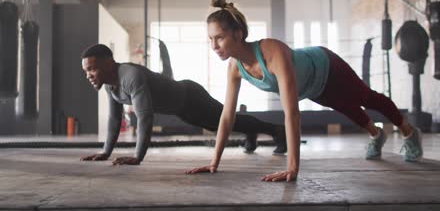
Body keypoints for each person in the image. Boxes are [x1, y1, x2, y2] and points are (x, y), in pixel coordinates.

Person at [185, 0, 423, 182]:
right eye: (210, 39)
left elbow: (292, 114)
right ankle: (376, 134)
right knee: (345, 107)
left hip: (327, 66)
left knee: (364, 97)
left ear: (238, 34)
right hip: (312, 87)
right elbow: (227, 116)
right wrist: (214, 162)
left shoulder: (272, 53)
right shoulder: (235, 67)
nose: (214, 46)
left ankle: (409, 131)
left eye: (219, 38)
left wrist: (292, 168)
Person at [80, 44, 286, 165]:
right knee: (219, 124)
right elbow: (115, 119)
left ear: (108, 63)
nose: (88, 75)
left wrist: (137, 156)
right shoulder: (110, 85)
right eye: (86, 71)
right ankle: (251, 133)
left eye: (92, 69)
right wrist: (106, 152)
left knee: (222, 121)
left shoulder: (130, 75)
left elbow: (145, 117)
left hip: (190, 96)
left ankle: (277, 130)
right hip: (181, 108)